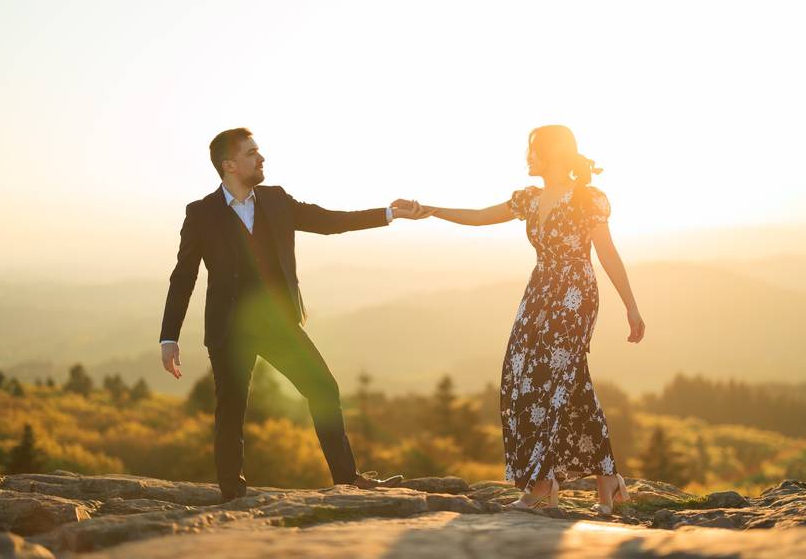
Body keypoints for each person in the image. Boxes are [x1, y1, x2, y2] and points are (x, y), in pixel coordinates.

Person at [158, 127, 429, 501]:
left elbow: (328, 221)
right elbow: (183, 276)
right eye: (252, 153)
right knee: (232, 410)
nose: (261, 158)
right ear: (230, 165)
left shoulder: (276, 200)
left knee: (323, 387)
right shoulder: (201, 213)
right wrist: (169, 337)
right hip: (229, 331)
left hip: (279, 324)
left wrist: (388, 213)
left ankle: (347, 479)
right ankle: (233, 494)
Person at [422, 124, 645, 514]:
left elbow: (607, 253)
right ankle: (608, 479)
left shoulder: (587, 199)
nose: (528, 157)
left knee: (543, 381)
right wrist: (432, 210)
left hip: (575, 295)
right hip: (538, 293)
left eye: (533, 150)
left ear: (553, 153)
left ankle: (542, 483)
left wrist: (631, 305)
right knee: (539, 378)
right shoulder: (529, 199)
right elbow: (479, 217)